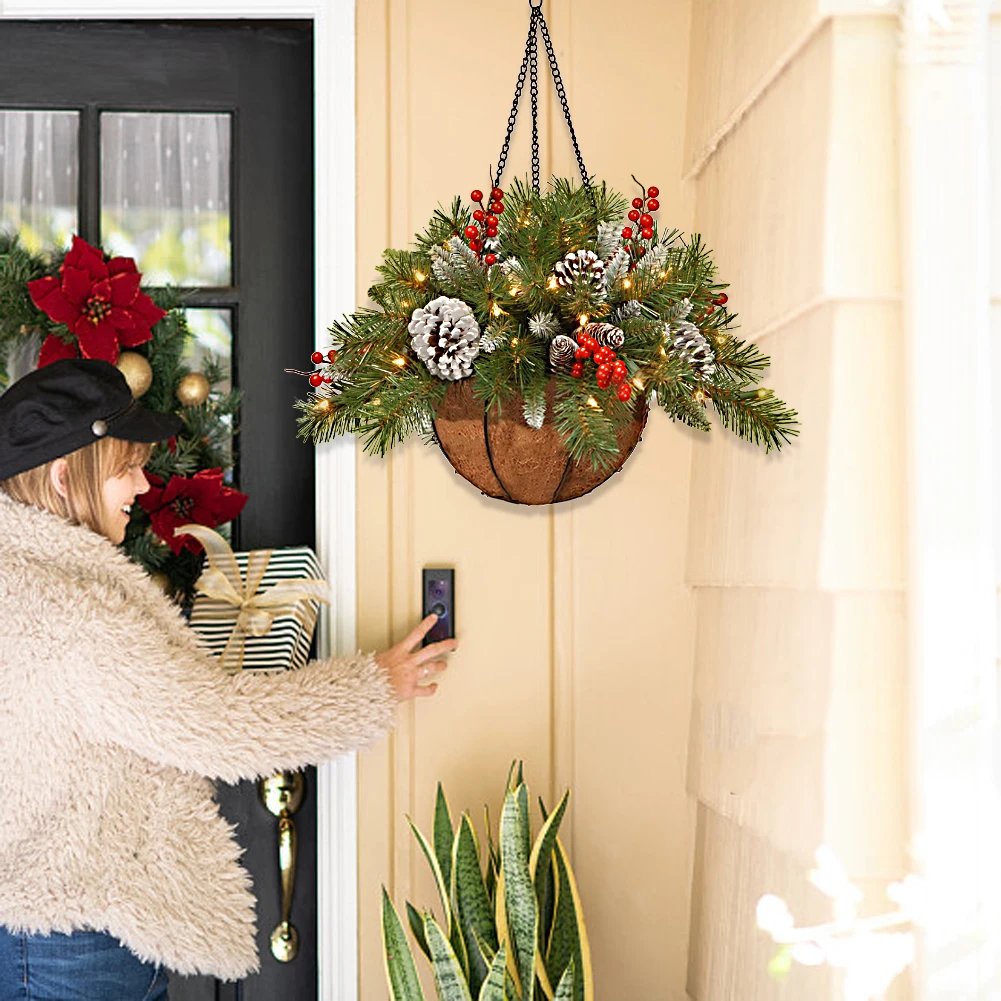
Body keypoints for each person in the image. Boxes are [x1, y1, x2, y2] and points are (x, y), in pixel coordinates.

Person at [0, 358, 456, 1000]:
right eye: (124, 467)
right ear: (61, 474)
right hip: (80, 942)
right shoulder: (74, 610)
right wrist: (375, 684)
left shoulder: (20, 579)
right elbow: (213, 725)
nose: (141, 484)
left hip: (27, 929)